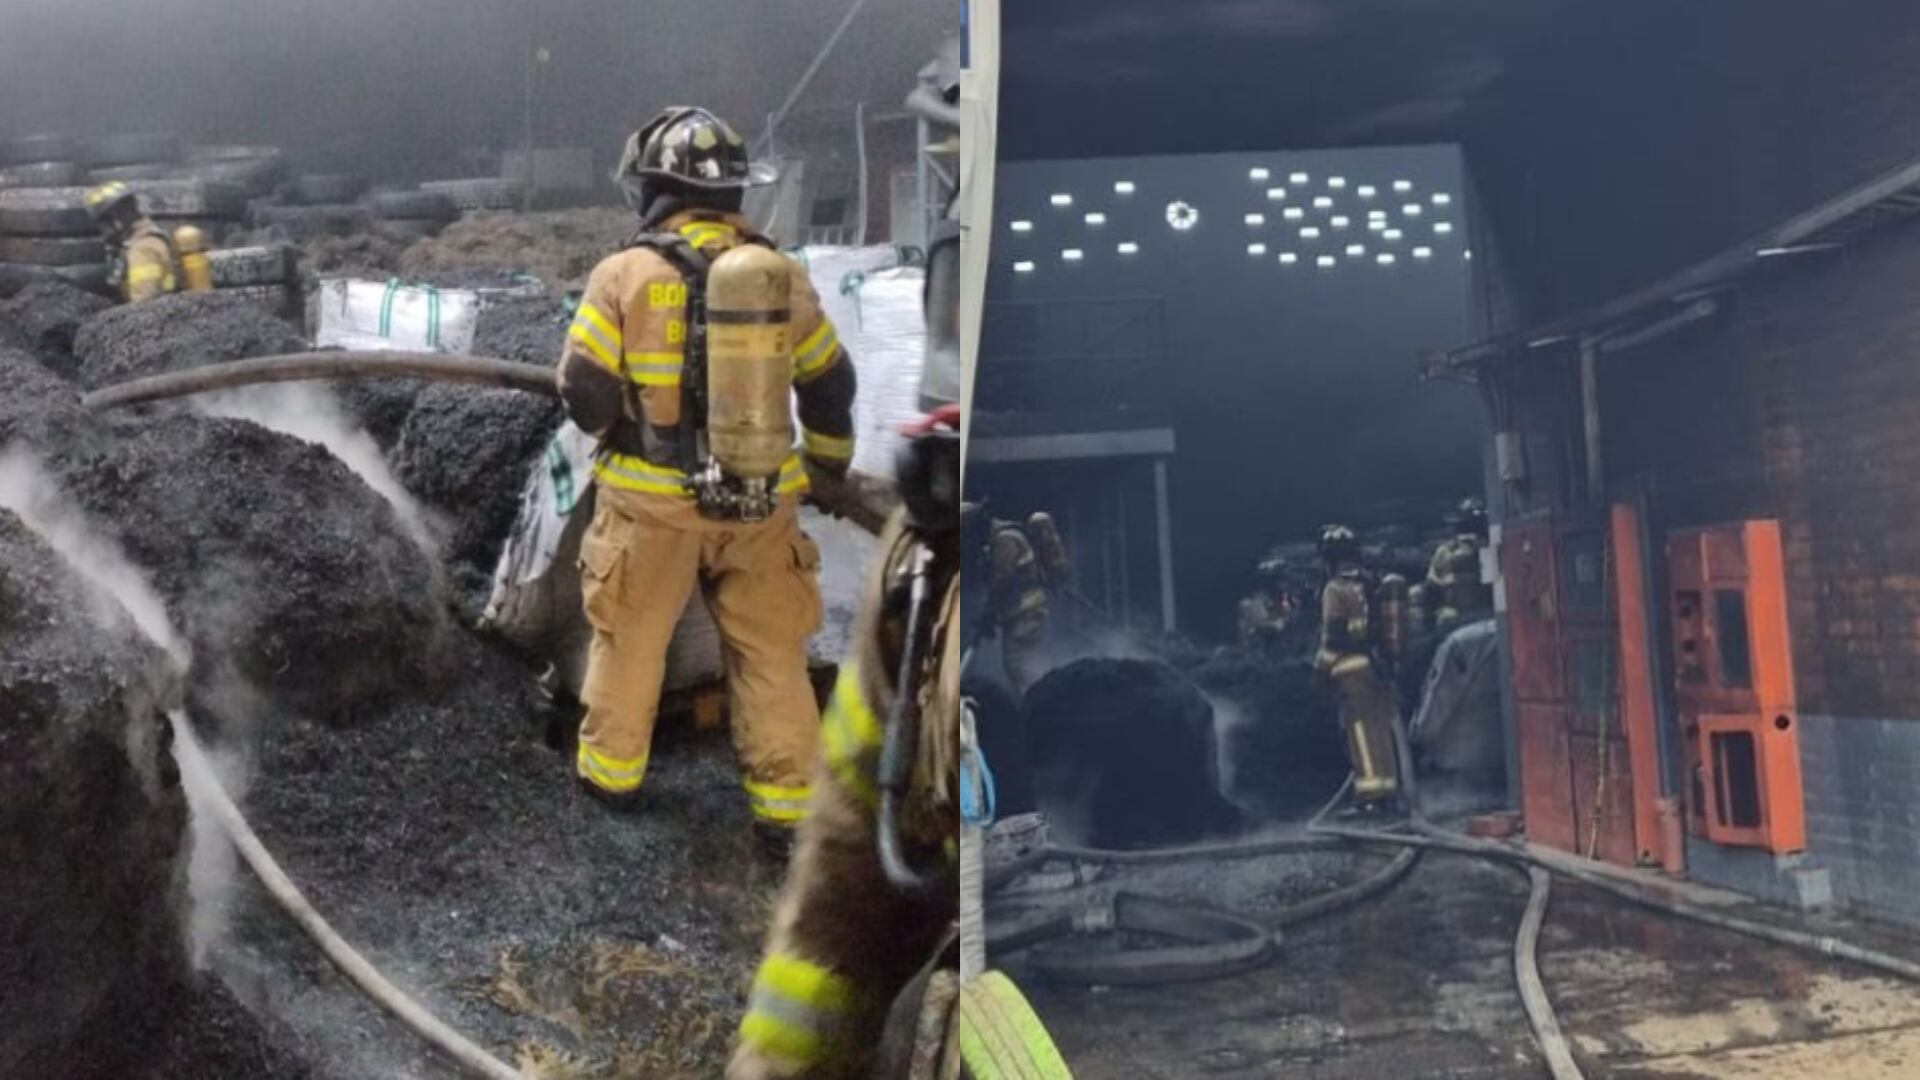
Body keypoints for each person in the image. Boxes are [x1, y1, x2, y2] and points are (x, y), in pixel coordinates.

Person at [554, 106, 857, 848]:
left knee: (630, 644)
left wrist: (626, 416)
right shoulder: (780, 274)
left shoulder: (624, 274)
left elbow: (584, 392)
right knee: (772, 656)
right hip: (760, 503)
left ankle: (610, 786)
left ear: (654, 187)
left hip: (651, 510)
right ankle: (786, 818)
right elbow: (830, 382)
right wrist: (826, 467)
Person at [1313, 524, 1403, 809]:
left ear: (1330, 560)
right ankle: (1388, 793)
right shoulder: (1370, 583)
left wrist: (1319, 671)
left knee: (1361, 734)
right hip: (1377, 669)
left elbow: (1333, 639)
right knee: (1380, 730)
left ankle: (1370, 798)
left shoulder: (1334, 589)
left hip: (1350, 673)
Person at [84, 182, 179, 304]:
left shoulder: (142, 250)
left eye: (103, 225)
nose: (104, 233)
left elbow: (143, 307)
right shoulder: (147, 240)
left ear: (116, 220)